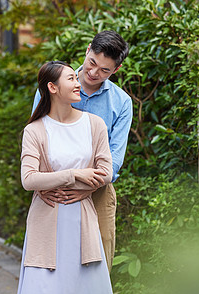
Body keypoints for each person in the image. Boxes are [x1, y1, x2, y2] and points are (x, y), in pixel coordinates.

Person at [31, 30, 132, 272]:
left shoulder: (121, 102)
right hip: (52, 190)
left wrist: (89, 186)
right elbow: (36, 139)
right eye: (92, 63)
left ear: (115, 71)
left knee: (98, 262)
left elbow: (115, 159)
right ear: (88, 51)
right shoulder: (53, 86)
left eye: (105, 71)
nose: (94, 73)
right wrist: (42, 184)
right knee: (52, 262)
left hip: (98, 191)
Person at [17, 61, 114, 294]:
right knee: (44, 290)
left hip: (82, 221)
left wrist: (78, 189)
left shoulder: (94, 125)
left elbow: (106, 172)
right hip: (45, 224)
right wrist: (75, 175)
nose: (78, 83)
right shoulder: (34, 130)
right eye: (71, 79)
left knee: (84, 288)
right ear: (52, 87)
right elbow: (29, 179)